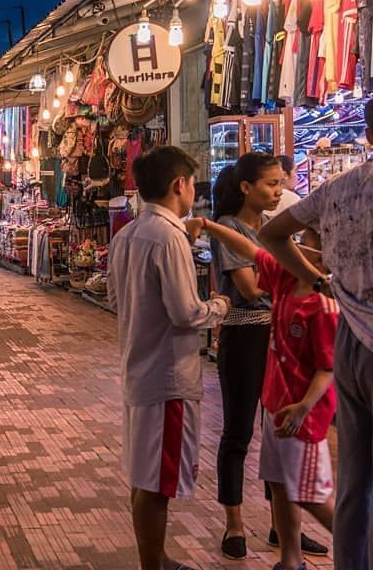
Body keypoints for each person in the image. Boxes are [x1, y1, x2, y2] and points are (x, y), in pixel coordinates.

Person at [259, 98, 373, 570]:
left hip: (351, 341)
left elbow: (272, 235)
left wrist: (322, 278)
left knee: (355, 483)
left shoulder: (340, 188)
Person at [107, 146, 231, 570]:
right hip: (167, 378)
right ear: (180, 184)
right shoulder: (168, 237)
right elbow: (185, 312)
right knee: (157, 481)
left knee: (144, 475)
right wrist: (219, 306)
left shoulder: (127, 235)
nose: (193, 191)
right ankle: (153, 564)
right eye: (192, 183)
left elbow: (114, 297)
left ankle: (155, 557)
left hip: (138, 371)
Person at [190, 218, 337, 570]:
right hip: (277, 407)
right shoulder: (285, 280)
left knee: (310, 495)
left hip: (304, 417)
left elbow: (327, 369)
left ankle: (358, 547)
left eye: (303, 242)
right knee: (280, 484)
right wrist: (208, 224)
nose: (294, 246)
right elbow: (249, 249)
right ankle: (290, 559)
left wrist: (304, 406)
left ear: (319, 260)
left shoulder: (324, 307)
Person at [210, 153, 319, 558]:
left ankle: (283, 527)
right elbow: (251, 287)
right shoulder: (228, 227)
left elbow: (301, 270)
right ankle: (234, 525)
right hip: (246, 334)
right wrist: (299, 285)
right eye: (271, 184)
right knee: (238, 432)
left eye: (281, 183)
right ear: (245, 187)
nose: (279, 191)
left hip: (282, 338)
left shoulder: (276, 229)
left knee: (281, 435)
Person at [265, 155, 301, 219]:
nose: (297, 176)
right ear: (284, 175)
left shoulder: (263, 197)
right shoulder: (293, 199)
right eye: (295, 171)